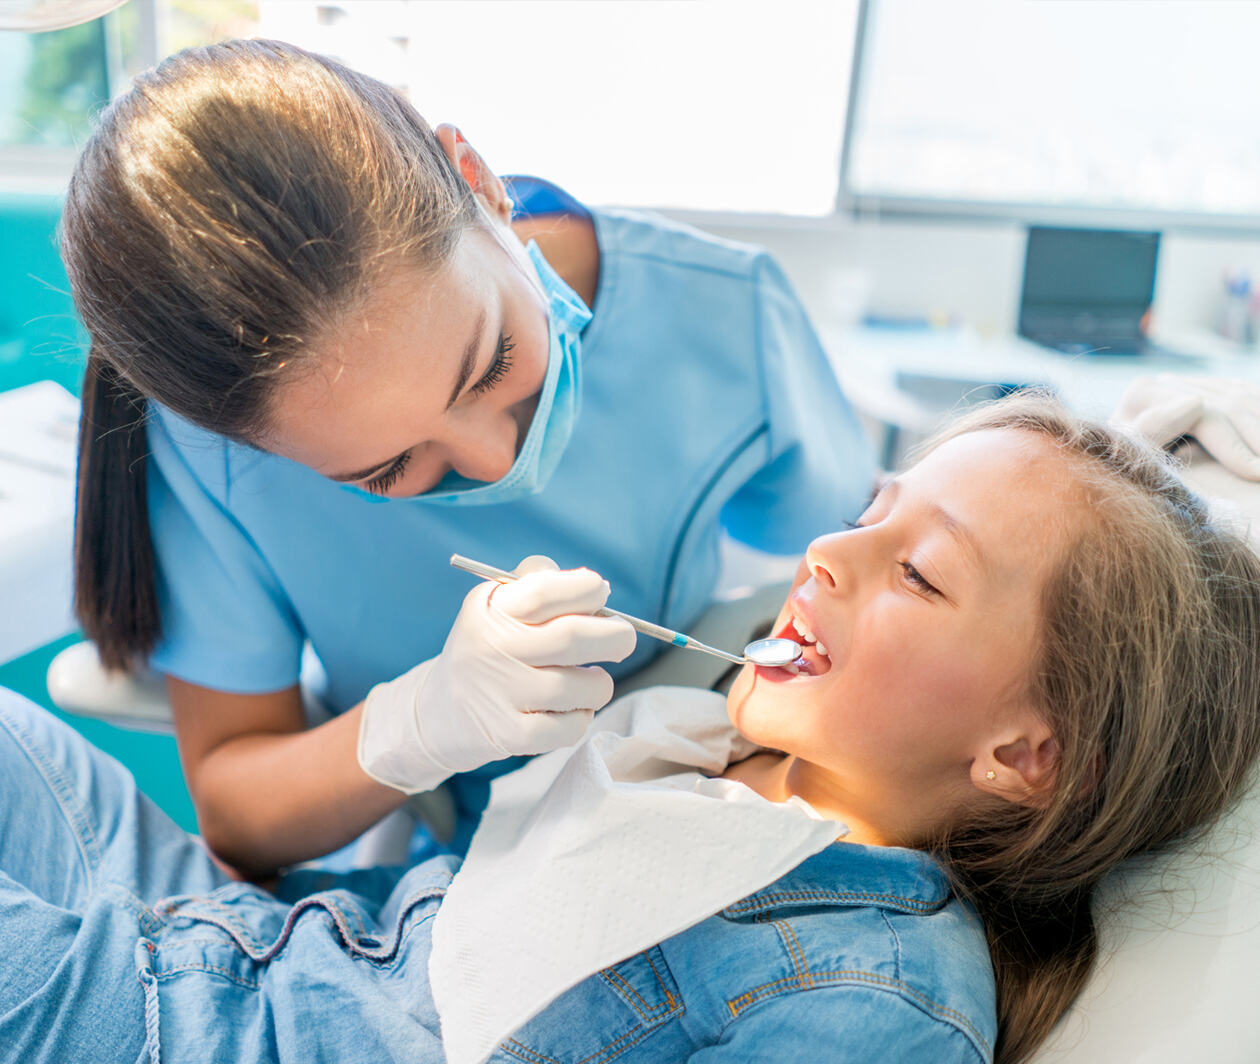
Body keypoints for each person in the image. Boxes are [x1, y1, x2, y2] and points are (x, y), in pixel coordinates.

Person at [5, 394, 1258, 1063]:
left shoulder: (881, 1001)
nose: (826, 552)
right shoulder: (702, 759)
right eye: (871, 509)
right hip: (235, 940)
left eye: (919, 572)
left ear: (1025, 754)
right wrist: (427, 716)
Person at [60, 39, 876, 874]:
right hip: (466, 867)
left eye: (492, 365)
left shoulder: (725, 312)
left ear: (476, 178)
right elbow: (237, 809)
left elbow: (859, 580)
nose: (494, 462)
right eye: (384, 471)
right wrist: (419, 725)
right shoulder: (208, 458)